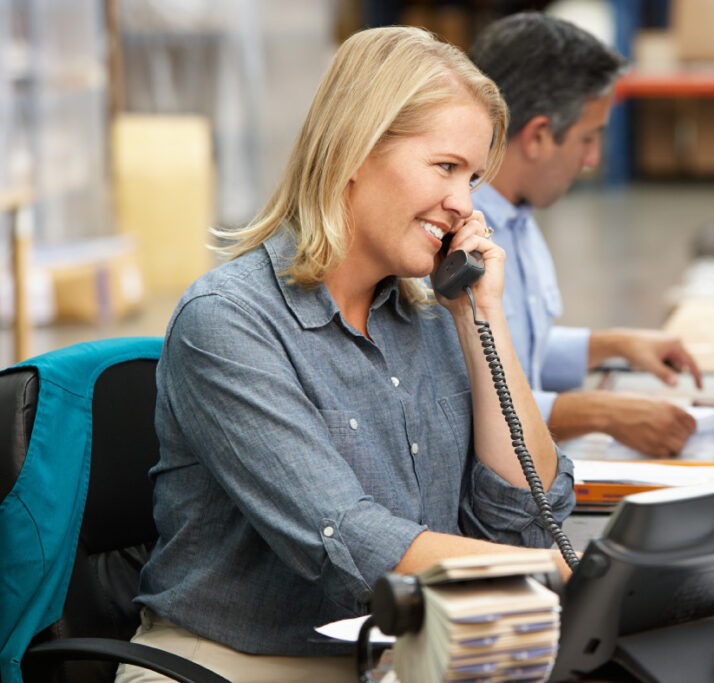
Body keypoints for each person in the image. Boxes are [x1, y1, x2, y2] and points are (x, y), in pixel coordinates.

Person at [117, 26, 575, 683]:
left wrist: (484, 319)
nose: (463, 205)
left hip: (400, 651)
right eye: (446, 167)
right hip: (233, 663)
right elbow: (345, 537)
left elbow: (525, 521)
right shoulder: (228, 321)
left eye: (473, 177)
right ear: (355, 150)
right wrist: (558, 573)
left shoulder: (433, 318)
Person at [469, 13, 704, 460]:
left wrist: (612, 346)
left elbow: (512, 353)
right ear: (538, 136)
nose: (593, 158)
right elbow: (465, 403)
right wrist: (601, 413)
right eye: (588, 138)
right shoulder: (458, 241)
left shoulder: (516, 216)